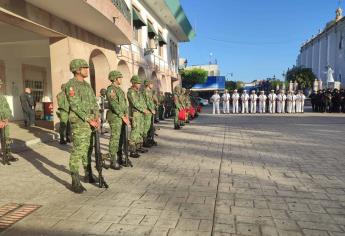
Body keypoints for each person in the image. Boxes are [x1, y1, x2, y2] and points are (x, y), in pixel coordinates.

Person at [65, 59, 100, 194]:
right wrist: (88, 119)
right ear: (77, 70)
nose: (87, 70)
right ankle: (75, 180)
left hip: (91, 122)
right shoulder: (71, 85)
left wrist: (96, 117)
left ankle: (88, 174)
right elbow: (75, 105)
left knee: (89, 149)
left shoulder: (87, 85)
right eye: (84, 68)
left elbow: (93, 102)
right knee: (78, 151)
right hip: (80, 123)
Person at [106, 71, 129, 170]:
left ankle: (120, 157)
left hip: (122, 117)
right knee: (115, 139)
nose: (121, 79)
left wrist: (126, 115)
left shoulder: (119, 90)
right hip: (115, 117)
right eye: (119, 78)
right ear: (115, 79)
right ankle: (113, 160)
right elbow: (114, 105)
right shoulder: (111, 90)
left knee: (121, 138)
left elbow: (124, 104)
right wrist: (122, 116)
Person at [127, 76, 149, 157]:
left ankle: (138, 146)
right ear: (133, 83)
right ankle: (132, 150)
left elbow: (143, 102)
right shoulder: (131, 92)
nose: (139, 84)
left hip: (141, 114)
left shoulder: (138, 92)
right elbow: (135, 103)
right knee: (135, 130)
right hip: (135, 114)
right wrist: (144, 110)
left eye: (140, 83)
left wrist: (145, 109)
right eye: (138, 83)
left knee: (140, 130)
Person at [0, 80, 17, 164]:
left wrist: (7, 118)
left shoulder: (2, 96)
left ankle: (8, 154)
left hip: (5, 121)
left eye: (0, 84)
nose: (0, 86)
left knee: (7, 138)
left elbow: (7, 107)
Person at [142, 80, 156, 147]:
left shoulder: (149, 92)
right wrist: (151, 109)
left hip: (150, 111)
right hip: (147, 111)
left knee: (150, 126)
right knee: (146, 127)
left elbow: (151, 101)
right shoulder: (145, 91)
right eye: (151, 84)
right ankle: (144, 141)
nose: (152, 85)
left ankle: (149, 139)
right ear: (148, 84)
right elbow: (147, 102)